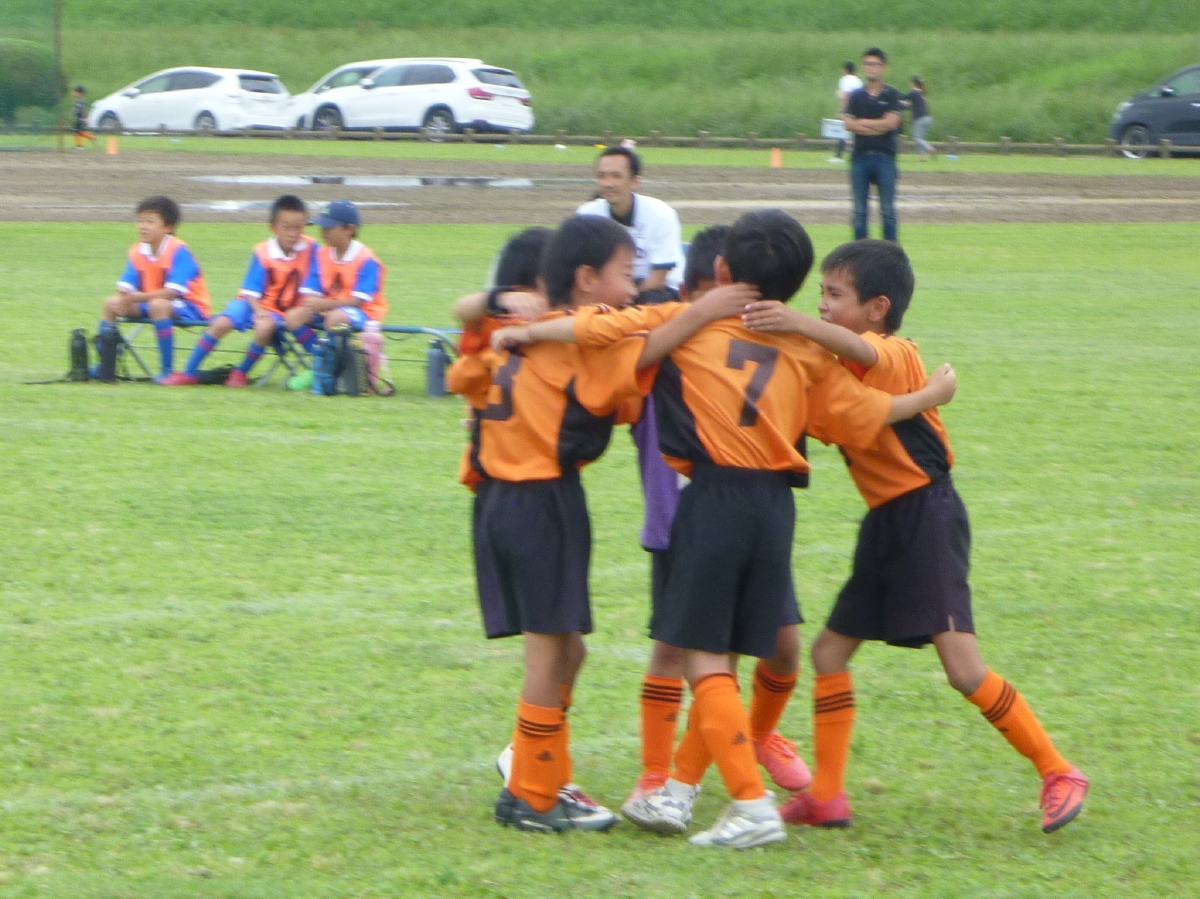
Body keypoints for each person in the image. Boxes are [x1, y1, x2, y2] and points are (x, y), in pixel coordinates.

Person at [490, 210, 958, 848]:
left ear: (719, 268)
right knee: (736, 648)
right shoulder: (805, 346)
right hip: (776, 507)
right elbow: (858, 415)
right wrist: (929, 398)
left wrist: (528, 329)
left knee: (702, 654)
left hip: (714, 499)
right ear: (797, 285)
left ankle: (749, 803)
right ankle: (680, 790)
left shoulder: (693, 322)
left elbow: (602, 327)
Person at [740, 239, 1089, 834]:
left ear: (877, 308)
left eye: (834, 295)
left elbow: (858, 348)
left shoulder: (896, 353)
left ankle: (1059, 771)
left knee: (963, 670)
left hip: (928, 514)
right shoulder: (833, 371)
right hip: (885, 522)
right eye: (819, 293)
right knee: (828, 654)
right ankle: (827, 796)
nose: (821, 305)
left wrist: (793, 320)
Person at [621, 226, 815, 824]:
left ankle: (746, 747)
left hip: (741, 510)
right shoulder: (679, 331)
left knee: (772, 649)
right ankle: (662, 779)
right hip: (683, 517)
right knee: (681, 652)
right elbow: (622, 361)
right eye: (705, 297)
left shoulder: (787, 342)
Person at [162, 195, 318, 387]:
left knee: (264, 327)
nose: (293, 233)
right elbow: (251, 291)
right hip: (255, 303)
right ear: (273, 228)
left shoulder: (311, 248)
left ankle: (240, 373)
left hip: (288, 309)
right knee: (222, 323)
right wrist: (259, 310)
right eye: (286, 227)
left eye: (298, 227)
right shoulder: (263, 251)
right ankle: (189, 372)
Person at [98, 195, 211, 383]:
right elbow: (126, 286)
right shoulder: (137, 250)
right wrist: (123, 300)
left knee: (158, 305)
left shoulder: (179, 251)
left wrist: (135, 298)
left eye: (150, 222)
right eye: (140, 221)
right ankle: (104, 365)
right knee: (111, 303)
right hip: (150, 302)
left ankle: (167, 371)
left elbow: (172, 292)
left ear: (168, 227)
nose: (143, 226)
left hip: (190, 306)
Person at [285, 200, 387, 391]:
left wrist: (325, 305)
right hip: (329, 308)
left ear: (349, 229)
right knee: (293, 317)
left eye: (329, 227)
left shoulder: (366, 259)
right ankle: (321, 361)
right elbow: (310, 291)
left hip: (364, 312)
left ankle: (326, 370)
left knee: (335, 318)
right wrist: (316, 304)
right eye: (322, 227)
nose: (323, 232)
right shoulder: (321, 254)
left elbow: (358, 301)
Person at [577, 146, 684, 303]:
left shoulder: (661, 214)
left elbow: (659, 278)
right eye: (602, 176)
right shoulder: (586, 214)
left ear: (634, 181)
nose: (608, 183)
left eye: (616, 176)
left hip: (657, 290)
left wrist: (624, 296)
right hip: (612, 288)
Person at [843, 48, 903, 242]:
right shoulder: (856, 95)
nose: (870, 68)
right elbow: (849, 124)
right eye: (867, 64)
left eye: (874, 64)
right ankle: (861, 254)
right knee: (859, 213)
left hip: (885, 158)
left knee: (888, 211)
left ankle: (891, 253)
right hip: (860, 158)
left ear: (883, 67)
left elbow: (892, 123)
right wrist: (879, 125)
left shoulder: (891, 94)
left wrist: (862, 123)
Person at [830, 63, 863, 163]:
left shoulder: (845, 79)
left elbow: (845, 96)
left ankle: (838, 157)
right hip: (860, 109)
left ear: (845, 70)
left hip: (850, 109)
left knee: (843, 132)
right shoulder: (858, 80)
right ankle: (857, 155)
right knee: (855, 133)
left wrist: (843, 111)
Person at [902, 76, 934, 160]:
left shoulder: (914, 92)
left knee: (916, 139)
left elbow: (904, 96)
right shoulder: (922, 94)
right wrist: (906, 105)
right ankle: (921, 157)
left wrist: (895, 97)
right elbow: (914, 106)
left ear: (913, 83)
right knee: (920, 139)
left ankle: (929, 147)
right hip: (928, 119)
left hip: (919, 119)